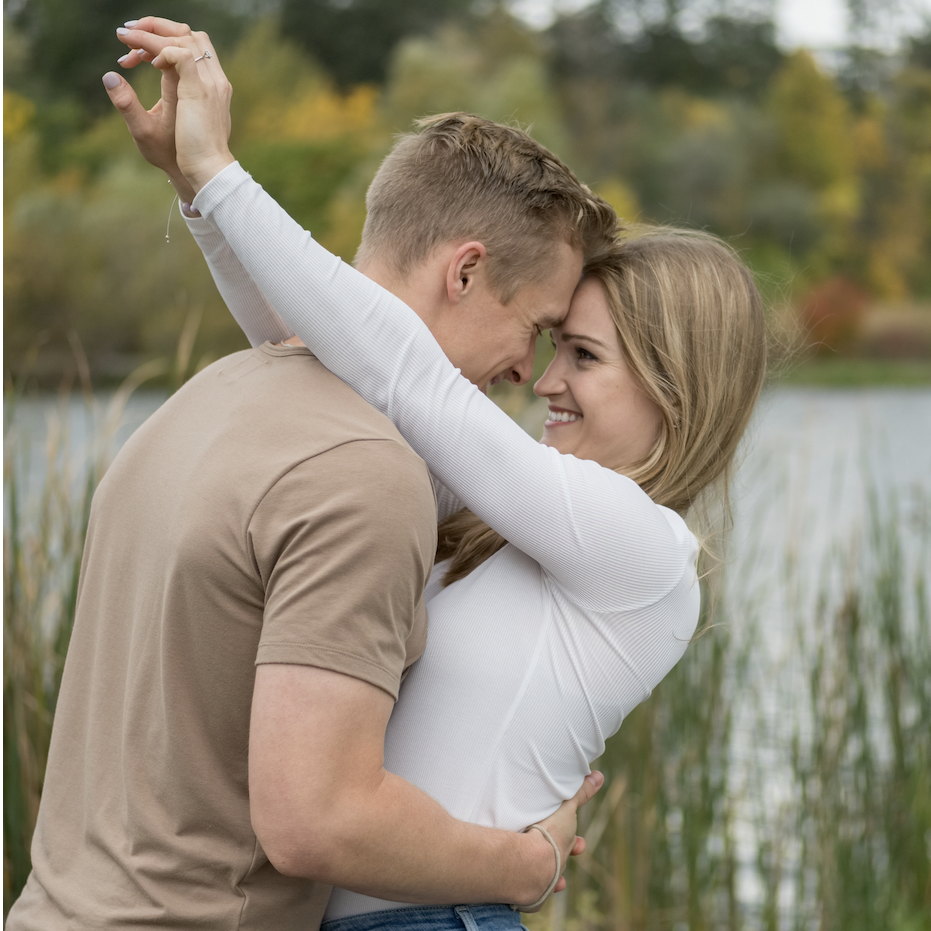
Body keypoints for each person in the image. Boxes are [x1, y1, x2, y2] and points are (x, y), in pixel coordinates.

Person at [96, 19, 769, 931]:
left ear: (673, 385)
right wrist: (194, 186)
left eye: (581, 354)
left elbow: (404, 376)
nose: (543, 380)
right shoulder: (513, 517)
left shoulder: (641, 548)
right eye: (549, 342)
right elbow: (320, 358)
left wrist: (222, 174)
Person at [5, 30, 617, 931]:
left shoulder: (212, 395)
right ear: (467, 270)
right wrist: (524, 864)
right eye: (534, 326)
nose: (526, 369)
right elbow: (314, 819)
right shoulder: (365, 475)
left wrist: (202, 186)